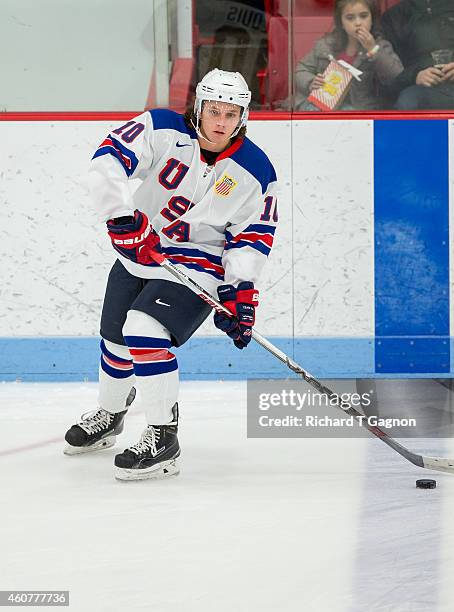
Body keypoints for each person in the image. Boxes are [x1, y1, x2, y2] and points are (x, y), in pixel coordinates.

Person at [63, 69, 278, 481]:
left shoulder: (256, 170)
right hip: (141, 252)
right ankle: (111, 414)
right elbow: (105, 162)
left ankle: (164, 437)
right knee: (114, 338)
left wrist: (239, 290)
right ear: (198, 107)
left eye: (231, 114)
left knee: (143, 329)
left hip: (200, 264)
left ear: (243, 117)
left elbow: (252, 235)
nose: (221, 121)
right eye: (214, 110)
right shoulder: (161, 127)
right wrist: (123, 219)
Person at [381, 0, 454, 110]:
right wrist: (416, 76)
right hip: (419, 92)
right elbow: (390, 76)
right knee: (406, 103)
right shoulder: (395, 16)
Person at [294, 0, 403, 110]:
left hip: (358, 110)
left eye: (363, 16)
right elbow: (302, 69)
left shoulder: (381, 46)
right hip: (321, 106)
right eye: (350, 18)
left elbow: (396, 77)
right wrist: (310, 82)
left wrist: (373, 49)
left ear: (372, 19)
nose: (358, 23)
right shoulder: (326, 45)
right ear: (341, 22)